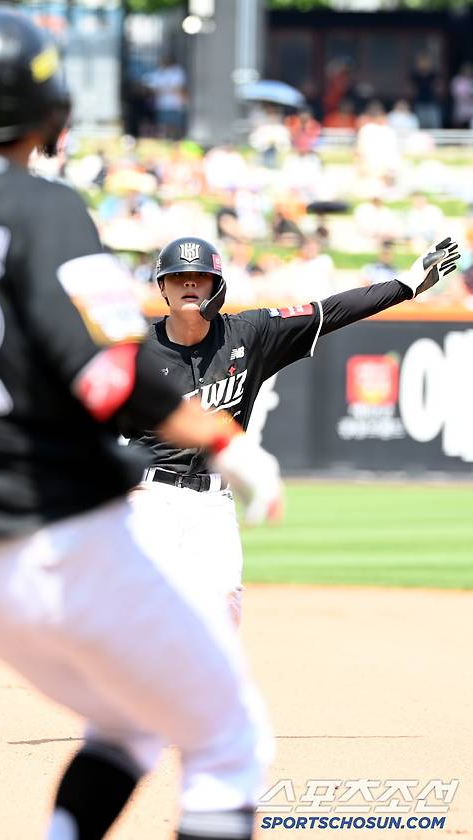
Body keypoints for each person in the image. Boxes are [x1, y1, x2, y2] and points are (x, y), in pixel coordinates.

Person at [0, 7, 278, 840]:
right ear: (51, 120)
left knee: (127, 724)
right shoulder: (45, 205)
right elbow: (112, 373)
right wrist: (230, 445)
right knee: (232, 741)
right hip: (64, 541)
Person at [124, 234, 460, 625]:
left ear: (216, 285)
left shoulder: (250, 333)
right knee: (146, 600)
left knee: (225, 600)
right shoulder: (136, 350)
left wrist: (405, 286)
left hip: (214, 500)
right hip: (151, 494)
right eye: (178, 277)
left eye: (199, 276)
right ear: (161, 286)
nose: (189, 284)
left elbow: (329, 311)